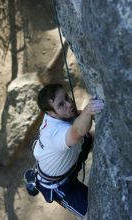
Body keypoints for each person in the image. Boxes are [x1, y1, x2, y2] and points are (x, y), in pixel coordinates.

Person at [33, 84, 104, 219]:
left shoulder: (59, 114)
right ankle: (35, 181)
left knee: (96, 136)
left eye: (67, 97)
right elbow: (78, 131)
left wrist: (90, 113)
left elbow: (78, 115)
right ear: (51, 113)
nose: (69, 103)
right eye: (61, 104)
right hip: (60, 185)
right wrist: (89, 110)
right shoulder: (55, 133)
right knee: (94, 215)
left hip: (70, 156)